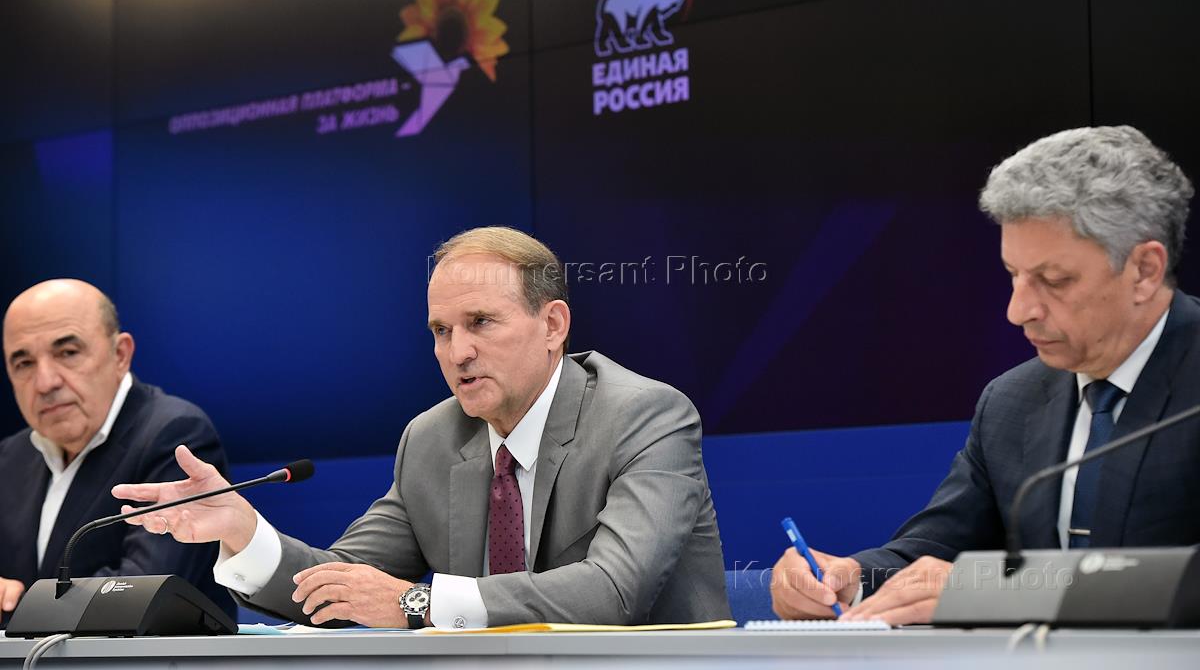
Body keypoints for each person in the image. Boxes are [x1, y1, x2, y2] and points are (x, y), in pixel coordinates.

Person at [114, 227, 729, 628]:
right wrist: (243, 532)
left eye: (481, 322)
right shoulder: (433, 439)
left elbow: (615, 591)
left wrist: (417, 603)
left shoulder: (646, 416)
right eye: (440, 331)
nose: (457, 352)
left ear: (553, 325)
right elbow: (341, 585)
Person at [771, 125, 1200, 625]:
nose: (1018, 311)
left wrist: (1008, 591)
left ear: (1145, 270)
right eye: (1014, 275)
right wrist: (851, 578)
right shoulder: (1014, 400)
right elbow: (937, 552)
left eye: (1054, 280)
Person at [0, 279, 235, 624]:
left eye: (68, 353)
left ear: (120, 354)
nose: (46, 382)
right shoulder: (10, 457)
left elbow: (140, 594)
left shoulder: (175, 436)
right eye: (24, 363)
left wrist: (14, 605)